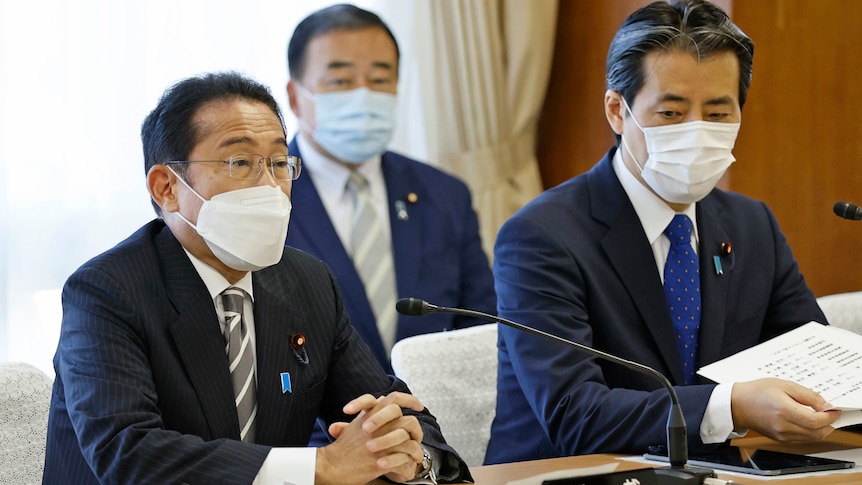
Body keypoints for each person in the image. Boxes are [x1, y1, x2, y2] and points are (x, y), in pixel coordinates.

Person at [43, 72, 472, 485]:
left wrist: (410, 455)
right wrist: (320, 469)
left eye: (280, 162)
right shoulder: (106, 291)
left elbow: (386, 406)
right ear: (166, 187)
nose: (269, 185)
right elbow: (127, 453)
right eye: (240, 161)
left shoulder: (307, 282)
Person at [485, 0, 841, 465]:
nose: (696, 132)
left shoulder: (752, 225)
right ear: (617, 110)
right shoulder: (540, 236)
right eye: (671, 114)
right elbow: (575, 415)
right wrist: (729, 405)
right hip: (568, 474)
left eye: (717, 115)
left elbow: (815, 364)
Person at [284, 4, 497, 372]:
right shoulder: (265, 198)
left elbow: (482, 328)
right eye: (340, 81)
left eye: (380, 80)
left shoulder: (445, 195)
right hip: (319, 428)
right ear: (294, 97)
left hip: (436, 421)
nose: (364, 96)